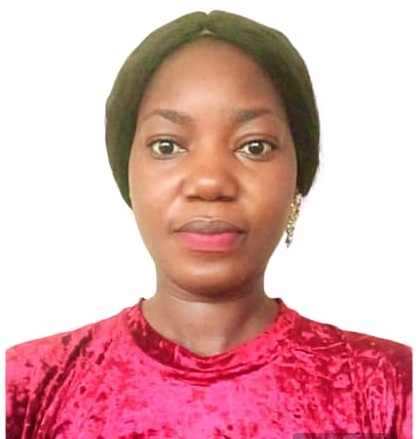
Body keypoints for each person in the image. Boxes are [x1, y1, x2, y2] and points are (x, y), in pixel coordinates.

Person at [6, 10, 411, 439]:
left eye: (255, 146)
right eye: (167, 146)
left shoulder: (391, 385)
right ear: (127, 175)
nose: (210, 182)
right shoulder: (26, 385)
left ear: (299, 178)